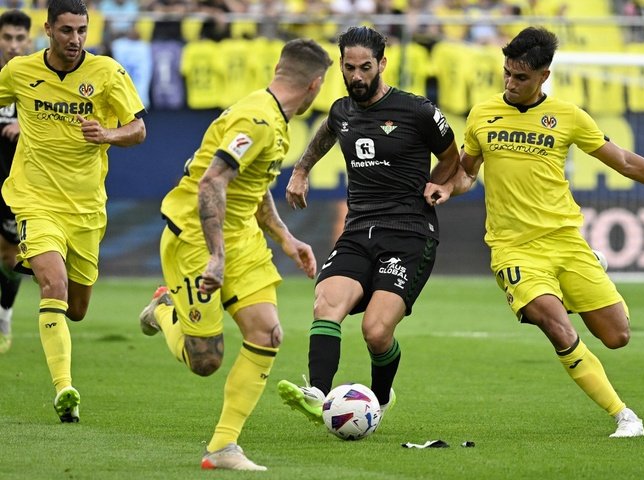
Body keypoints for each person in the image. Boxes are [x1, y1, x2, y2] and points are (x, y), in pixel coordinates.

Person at [425, 27, 644, 438]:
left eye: (520, 77)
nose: (510, 83)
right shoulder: (482, 115)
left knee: (617, 336)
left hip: (565, 239)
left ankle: (591, 269)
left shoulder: (569, 117)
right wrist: (447, 187)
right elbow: (468, 173)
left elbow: (626, 162)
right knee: (558, 327)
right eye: (506, 73)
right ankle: (624, 415)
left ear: (543, 75)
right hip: (513, 249)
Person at [138, 38, 332, 471]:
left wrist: (285, 238)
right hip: (195, 239)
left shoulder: (272, 117)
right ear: (315, 85)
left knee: (268, 333)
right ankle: (164, 309)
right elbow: (212, 183)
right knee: (205, 361)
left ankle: (223, 447)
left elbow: (252, 184)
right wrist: (216, 255)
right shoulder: (258, 119)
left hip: (241, 235)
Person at [277, 26, 460, 428]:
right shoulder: (342, 110)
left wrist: (440, 184)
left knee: (376, 332)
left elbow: (453, 158)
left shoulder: (417, 111)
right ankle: (318, 394)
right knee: (326, 302)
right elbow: (327, 133)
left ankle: (377, 399)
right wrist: (302, 170)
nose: (356, 76)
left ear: (382, 64)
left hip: (410, 232)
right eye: (348, 67)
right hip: (359, 229)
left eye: (364, 67)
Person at [0, 0, 146, 421]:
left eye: (81, 30)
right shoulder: (20, 72)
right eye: (66, 30)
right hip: (34, 198)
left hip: (85, 208)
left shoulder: (106, 73)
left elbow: (138, 128)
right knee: (54, 286)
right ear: (47, 29)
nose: (75, 39)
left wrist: (109, 133)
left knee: (76, 309)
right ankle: (65, 390)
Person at [0, 9, 32, 354]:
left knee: (10, 258)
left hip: (17, 184)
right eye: (7, 38)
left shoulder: (39, 81)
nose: (13, 45)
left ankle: (4, 315)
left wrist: (30, 124)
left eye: (19, 38)